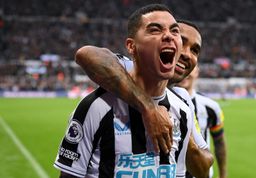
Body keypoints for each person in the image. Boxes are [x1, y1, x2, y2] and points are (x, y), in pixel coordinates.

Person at [54, 4, 198, 177]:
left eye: (175, 31)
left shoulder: (183, 112)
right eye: (155, 30)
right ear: (131, 46)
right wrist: (149, 108)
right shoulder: (96, 108)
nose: (168, 35)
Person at [177, 66, 227, 178]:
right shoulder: (161, 102)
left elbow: (219, 142)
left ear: (197, 72)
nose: (185, 72)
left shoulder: (211, 106)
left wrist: (223, 175)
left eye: (190, 68)